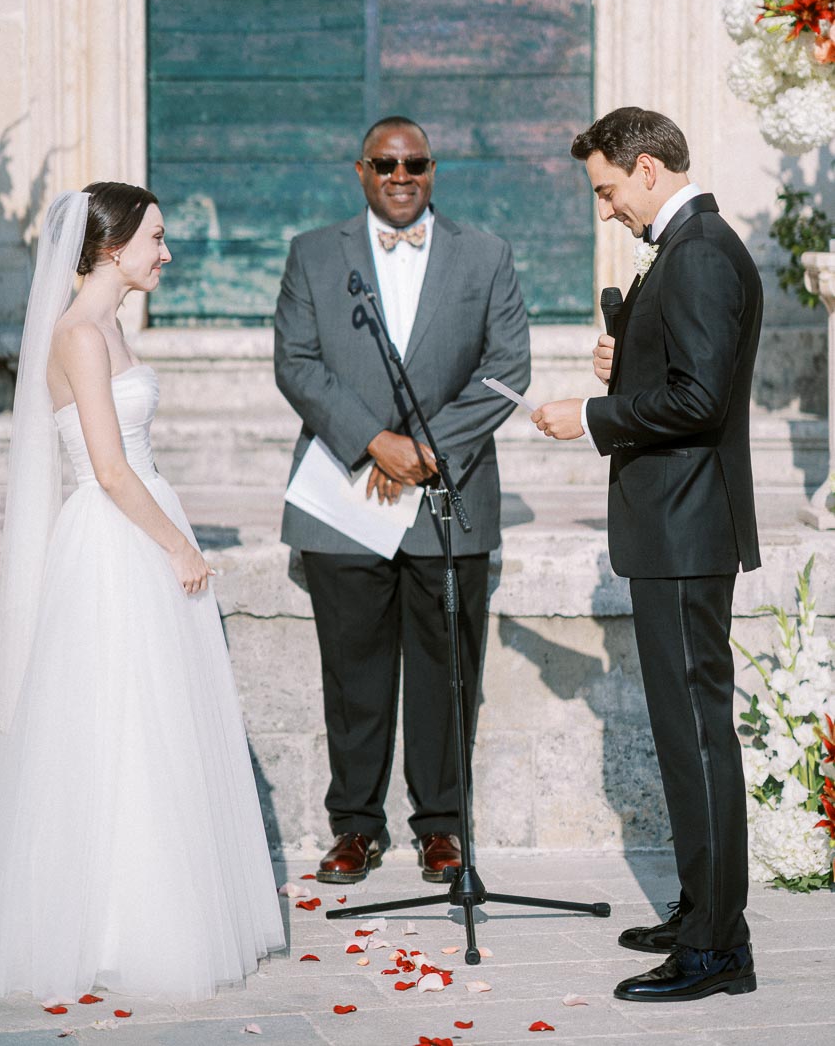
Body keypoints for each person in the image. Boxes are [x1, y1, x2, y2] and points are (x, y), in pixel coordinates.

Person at [0, 184, 284, 1003]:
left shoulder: (107, 327)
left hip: (141, 521)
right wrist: (177, 546)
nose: (166, 253)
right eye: (156, 239)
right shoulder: (78, 334)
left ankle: (150, 906)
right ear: (111, 246)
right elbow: (105, 467)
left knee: (157, 719)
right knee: (119, 718)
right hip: (115, 535)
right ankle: (112, 926)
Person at [531, 107, 762, 1003]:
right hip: (675, 524)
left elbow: (701, 399)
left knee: (698, 736)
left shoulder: (699, 252)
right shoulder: (691, 246)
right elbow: (681, 378)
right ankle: (704, 910)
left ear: (651, 168)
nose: (606, 209)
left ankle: (715, 948)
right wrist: (623, 369)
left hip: (683, 527)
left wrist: (590, 416)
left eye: (608, 189)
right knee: (684, 733)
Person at [274, 116, 530, 884]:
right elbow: (296, 362)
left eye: (415, 162)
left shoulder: (485, 255)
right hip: (345, 495)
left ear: (433, 169)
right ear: (360, 170)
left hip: (447, 495)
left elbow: (507, 369)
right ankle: (355, 826)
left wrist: (425, 448)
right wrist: (371, 441)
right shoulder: (313, 254)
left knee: (447, 669)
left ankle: (442, 827)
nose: (400, 174)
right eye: (385, 163)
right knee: (353, 674)